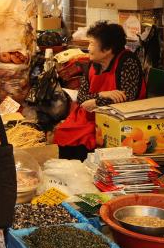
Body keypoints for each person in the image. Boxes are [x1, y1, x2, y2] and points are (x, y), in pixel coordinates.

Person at [54, 21, 146, 160]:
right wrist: (102, 95)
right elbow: (82, 98)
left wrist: (95, 101)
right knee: (63, 132)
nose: (88, 48)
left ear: (107, 49)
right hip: (90, 114)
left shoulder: (127, 62)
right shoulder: (93, 63)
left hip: (116, 118)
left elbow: (127, 97)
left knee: (83, 141)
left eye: (91, 43)